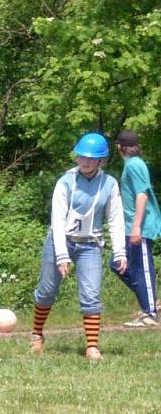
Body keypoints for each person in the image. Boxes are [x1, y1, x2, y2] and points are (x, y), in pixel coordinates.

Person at [30, 133, 127, 360]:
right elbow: (57, 219)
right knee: (46, 291)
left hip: (90, 245)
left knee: (91, 294)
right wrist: (62, 256)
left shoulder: (110, 184)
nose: (84, 161)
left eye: (91, 158)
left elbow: (115, 219)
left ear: (101, 161)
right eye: (81, 156)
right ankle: (36, 334)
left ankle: (92, 346)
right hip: (60, 240)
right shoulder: (65, 182)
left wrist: (120, 251)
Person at [110, 130, 160, 327]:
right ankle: (150, 301)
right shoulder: (131, 165)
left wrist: (137, 227)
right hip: (131, 226)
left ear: (120, 146)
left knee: (143, 269)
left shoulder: (135, 165)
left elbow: (142, 196)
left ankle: (150, 313)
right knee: (117, 264)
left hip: (141, 227)